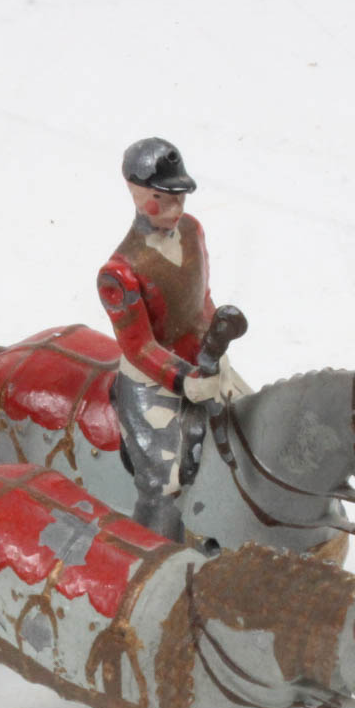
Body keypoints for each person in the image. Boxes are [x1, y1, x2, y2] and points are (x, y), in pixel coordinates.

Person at [96, 137, 246, 539]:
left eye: (180, 197)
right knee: (162, 481)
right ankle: (151, 553)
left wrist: (215, 341)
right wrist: (184, 379)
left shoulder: (194, 232)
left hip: (203, 362)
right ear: (136, 192)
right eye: (163, 198)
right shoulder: (120, 271)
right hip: (151, 380)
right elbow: (139, 346)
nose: (176, 209)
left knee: (249, 419)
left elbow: (202, 301)